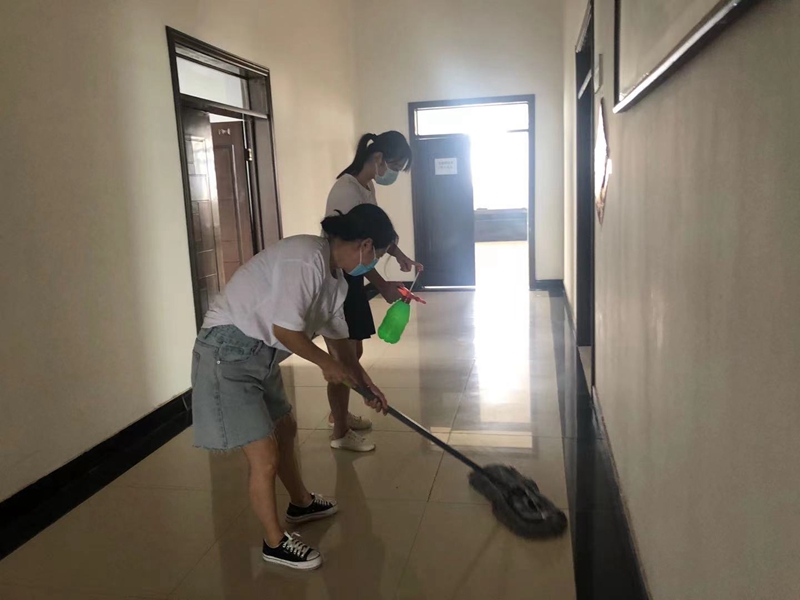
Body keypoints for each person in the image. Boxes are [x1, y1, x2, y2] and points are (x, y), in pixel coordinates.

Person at [190, 204, 395, 570]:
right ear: (365, 245)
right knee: (264, 455)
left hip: (261, 353)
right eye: (377, 255)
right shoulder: (306, 259)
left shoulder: (335, 278)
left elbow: (341, 347)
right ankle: (274, 543)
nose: (373, 264)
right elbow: (286, 330)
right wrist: (326, 364)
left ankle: (301, 503)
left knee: (285, 428)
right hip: (228, 353)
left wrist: (367, 384)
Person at [323, 131, 422, 452]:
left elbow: (374, 233)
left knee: (354, 353)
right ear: (378, 158)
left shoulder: (366, 186)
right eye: (395, 166)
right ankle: (339, 430)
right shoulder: (346, 190)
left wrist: (400, 255)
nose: (393, 174)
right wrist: (382, 285)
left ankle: (339, 415)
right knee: (343, 357)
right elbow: (357, 249)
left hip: (352, 276)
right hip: (342, 275)